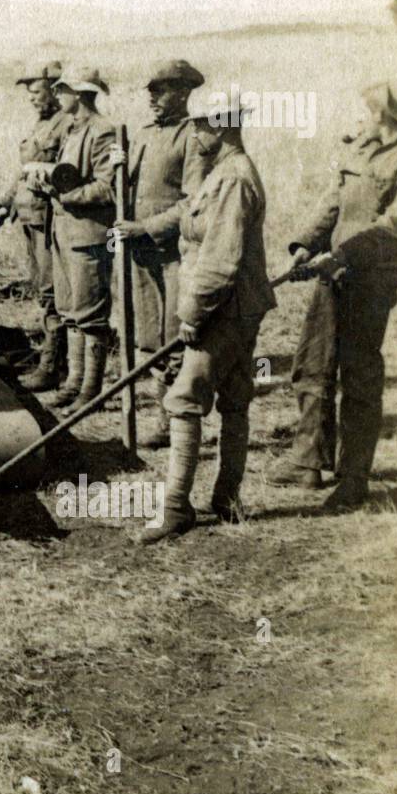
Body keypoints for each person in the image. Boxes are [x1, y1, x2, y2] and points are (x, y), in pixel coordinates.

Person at [272, 81, 397, 511]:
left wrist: (343, 254)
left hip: (371, 280)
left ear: (383, 114)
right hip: (332, 273)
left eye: (369, 110)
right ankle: (309, 461)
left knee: (359, 377)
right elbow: (334, 201)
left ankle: (353, 479)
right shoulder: (358, 147)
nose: (363, 116)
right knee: (312, 364)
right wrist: (306, 245)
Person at [141, 103, 275, 544]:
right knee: (235, 397)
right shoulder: (223, 172)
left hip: (223, 310)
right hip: (238, 307)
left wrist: (193, 314)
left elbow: (221, 260)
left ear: (221, 127)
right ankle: (226, 499)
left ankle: (177, 509)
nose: (194, 135)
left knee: (183, 399)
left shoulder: (233, 178)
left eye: (201, 126)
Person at [109, 59, 213, 446]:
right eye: (150, 91)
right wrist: (116, 168)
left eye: (161, 90)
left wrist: (148, 228)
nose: (152, 98)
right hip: (139, 253)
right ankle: (158, 412)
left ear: (183, 92)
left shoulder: (193, 138)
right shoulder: (142, 135)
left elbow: (193, 202)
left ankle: (172, 420)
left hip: (173, 253)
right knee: (148, 334)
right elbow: (121, 189)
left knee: (174, 335)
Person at [0, 60, 74, 389]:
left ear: (54, 91)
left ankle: (53, 366)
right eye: (28, 93)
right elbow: (25, 169)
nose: (31, 98)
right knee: (41, 289)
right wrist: (6, 202)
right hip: (29, 217)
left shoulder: (66, 125)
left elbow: (64, 172)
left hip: (50, 219)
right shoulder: (39, 125)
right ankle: (51, 359)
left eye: (36, 91)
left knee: (51, 291)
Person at [45, 68, 116, 413]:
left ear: (81, 94)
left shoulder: (103, 132)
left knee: (91, 315)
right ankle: (75, 382)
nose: (57, 96)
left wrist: (66, 197)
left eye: (63, 90)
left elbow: (107, 187)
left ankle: (92, 391)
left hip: (88, 235)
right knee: (71, 312)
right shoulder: (73, 130)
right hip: (65, 233)